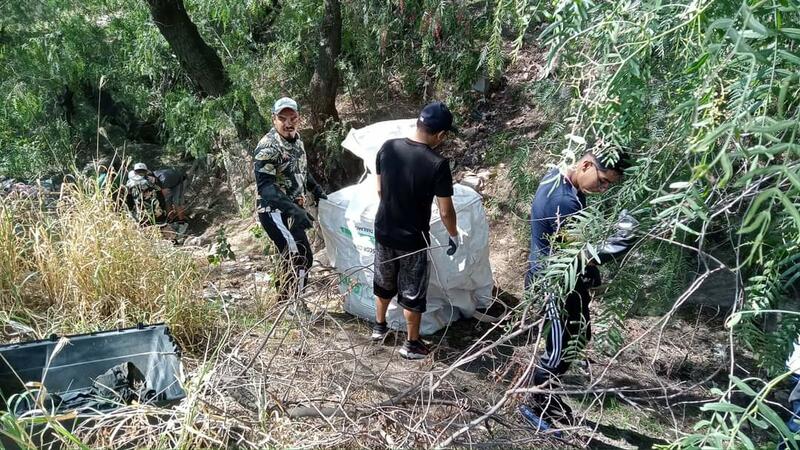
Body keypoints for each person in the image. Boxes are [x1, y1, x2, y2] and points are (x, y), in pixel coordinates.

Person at [520, 151, 629, 424]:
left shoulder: (559, 179)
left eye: (608, 185)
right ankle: (535, 402)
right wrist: (624, 238)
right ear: (586, 165)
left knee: (580, 334)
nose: (603, 189)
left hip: (566, 277)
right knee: (560, 346)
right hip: (554, 283)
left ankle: (546, 393)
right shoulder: (563, 201)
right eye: (602, 181)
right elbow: (583, 253)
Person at [370, 101, 460, 360]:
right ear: (441, 135)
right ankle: (411, 344)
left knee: (383, 280)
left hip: (384, 230)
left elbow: (379, 190)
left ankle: (379, 327)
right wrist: (453, 235)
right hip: (413, 239)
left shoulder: (388, 148)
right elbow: (445, 211)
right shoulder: (438, 164)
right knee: (412, 290)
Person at [254, 97, 327, 302]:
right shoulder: (268, 147)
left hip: (294, 209)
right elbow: (266, 187)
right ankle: (293, 305)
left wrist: (315, 187)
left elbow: (300, 169)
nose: (288, 123)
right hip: (274, 212)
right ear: (273, 119)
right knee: (300, 255)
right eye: (282, 118)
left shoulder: (297, 139)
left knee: (294, 256)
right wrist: (295, 211)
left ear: (299, 119)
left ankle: (286, 301)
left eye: (292, 118)